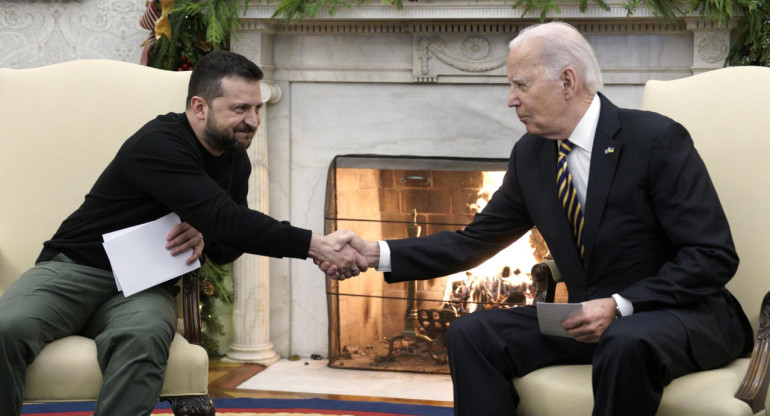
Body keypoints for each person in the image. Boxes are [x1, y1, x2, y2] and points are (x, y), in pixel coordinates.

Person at [322, 22, 753, 415]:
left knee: (626, 340)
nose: (511, 100)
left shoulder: (655, 139)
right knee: (472, 333)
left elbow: (711, 256)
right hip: (591, 322)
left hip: (682, 315)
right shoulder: (531, 156)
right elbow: (473, 241)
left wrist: (621, 307)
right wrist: (375, 253)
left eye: (519, 85)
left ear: (567, 81)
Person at [0, 50, 365, 416]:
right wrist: (316, 245)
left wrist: (207, 234)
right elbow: (225, 217)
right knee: (6, 326)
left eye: (257, 109)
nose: (253, 121)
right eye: (240, 109)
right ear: (199, 106)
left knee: (143, 340)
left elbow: (225, 243)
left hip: (145, 287)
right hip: (76, 268)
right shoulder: (159, 143)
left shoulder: (235, 157)